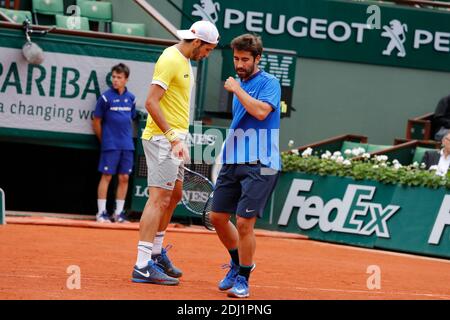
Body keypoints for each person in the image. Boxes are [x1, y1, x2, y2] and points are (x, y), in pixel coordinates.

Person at [131, 20, 220, 285]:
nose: (207, 55)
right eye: (208, 50)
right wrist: (172, 138)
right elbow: (151, 102)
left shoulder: (185, 61)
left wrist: (181, 138)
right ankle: (142, 264)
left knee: (175, 195)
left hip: (175, 138)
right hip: (162, 138)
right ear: (197, 43)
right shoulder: (170, 59)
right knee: (159, 198)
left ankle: (156, 254)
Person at [209, 34, 281, 298]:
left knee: (243, 222)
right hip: (234, 158)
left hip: (262, 163)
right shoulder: (239, 81)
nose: (239, 64)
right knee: (216, 217)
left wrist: (238, 89)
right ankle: (237, 262)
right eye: (236, 59)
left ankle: (244, 279)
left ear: (257, 58)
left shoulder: (269, 82)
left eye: (245, 59)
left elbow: (262, 112)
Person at [93, 63, 137, 223]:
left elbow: (130, 118)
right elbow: (96, 121)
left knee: (124, 177)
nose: (115, 80)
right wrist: (104, 140)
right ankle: (101, 213)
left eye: (119, 77)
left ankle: (118, 213)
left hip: (127, 145)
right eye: (114, 77)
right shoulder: (105, 98)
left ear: (126, 79)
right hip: (110, 144)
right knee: (107, 176)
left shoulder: (131, 98)